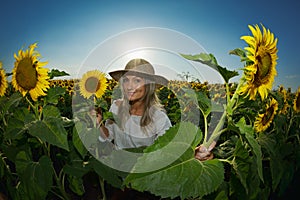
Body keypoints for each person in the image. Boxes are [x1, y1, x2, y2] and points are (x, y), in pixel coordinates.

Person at [95, 58, 172, 149]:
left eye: (137, 81)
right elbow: (108, 136)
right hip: (117, 161)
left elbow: (166, 150)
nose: (129, 86)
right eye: (126, 80)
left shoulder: (159, 118)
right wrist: (99, 122)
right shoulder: (116, 107)